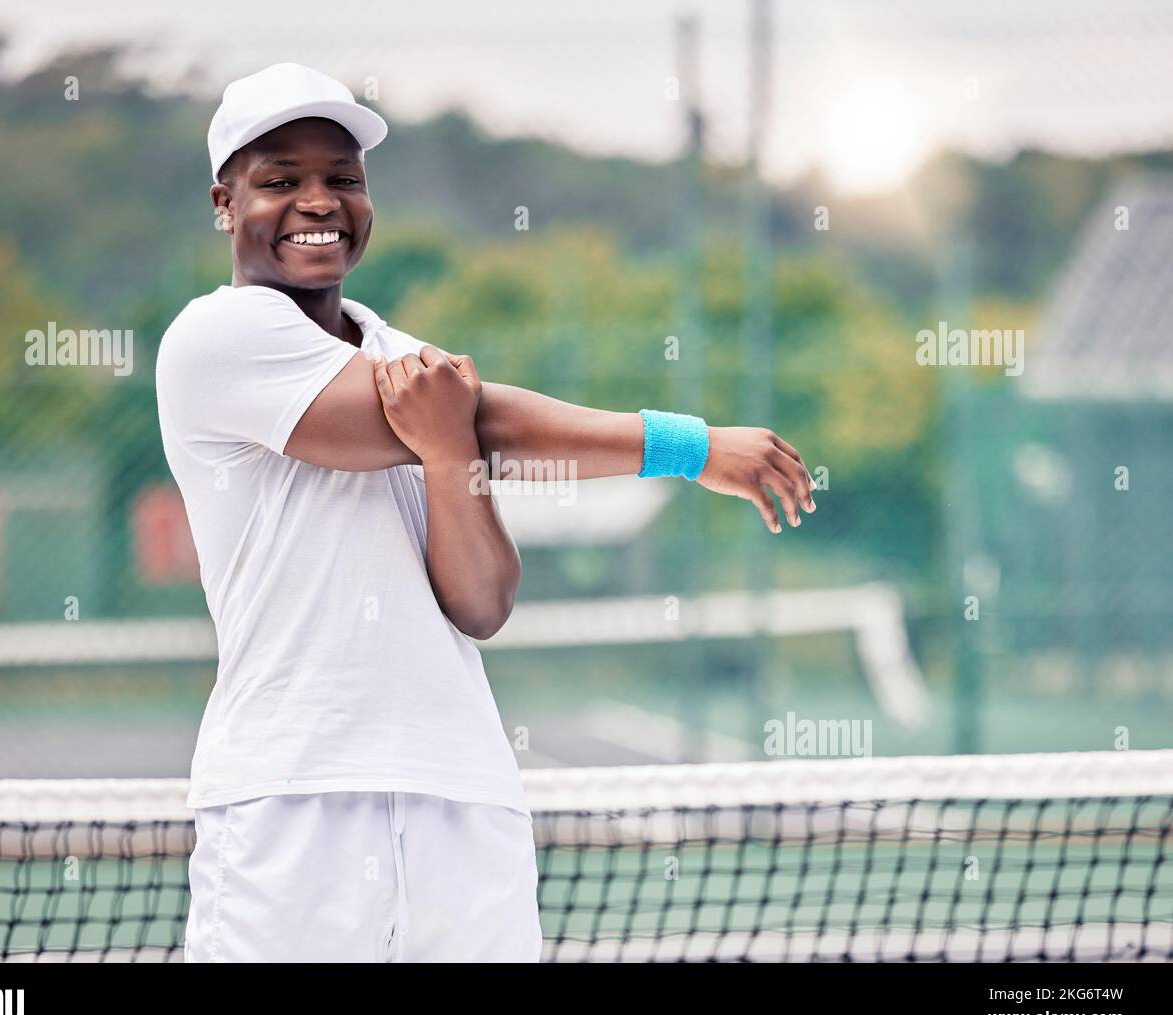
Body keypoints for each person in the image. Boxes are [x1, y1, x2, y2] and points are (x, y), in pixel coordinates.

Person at [155, 63, 815, 963]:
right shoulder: (213, 339)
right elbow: (493, 417)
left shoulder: (411, 360)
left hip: (463, 797)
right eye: (280, 181)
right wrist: (689, 447)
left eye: (342, 178)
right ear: (225, 204)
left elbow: (481, 602)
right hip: (292, 798)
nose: (319, 201)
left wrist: (447, 445)